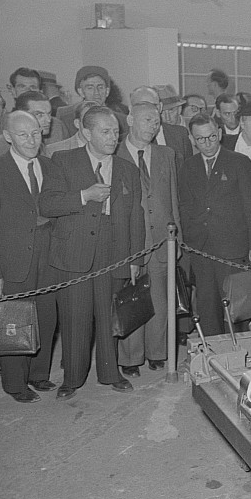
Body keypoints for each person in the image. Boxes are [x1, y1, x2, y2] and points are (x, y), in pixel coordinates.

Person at [40, 107, 145, 400]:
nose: (114, 138)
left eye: (116, 132)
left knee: (109, 315)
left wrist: (135, 259)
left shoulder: (127, 169)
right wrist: (84, 196)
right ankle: (72, 378)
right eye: (106, 132)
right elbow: (47, 205)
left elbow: (136, 217)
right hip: (73, 252)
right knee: (75, 318)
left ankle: (110, 373)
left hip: (114, 252)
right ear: (86, 133)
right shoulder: (62, 161)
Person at [0, 111, 59, 403]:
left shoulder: (49, 165)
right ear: (7, 136)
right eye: (23, 135)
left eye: (35, 133)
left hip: (48, 258)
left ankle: (38, 374)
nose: (32, 140)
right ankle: (15, 383)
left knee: (46, 317)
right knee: (13, 323)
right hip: (11, 263)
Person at [178, 113, 251, 337]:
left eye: (211, 137)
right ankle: (212, 351)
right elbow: (185, 207)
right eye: (200, 139)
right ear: (192, 139)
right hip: (201, 249)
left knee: (235, 307)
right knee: (207, 305)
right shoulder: (188, 167)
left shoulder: (239, 163)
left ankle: (238, 352)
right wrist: (189, 242)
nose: (207, 144)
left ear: (220, 133)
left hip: (233, 249)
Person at [116, 102, 182, 377]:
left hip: (161, 239)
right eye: (146, 120)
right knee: (130, 300)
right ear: (130, 119)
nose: (152, 126)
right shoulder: (115, 152)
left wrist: (176, 237)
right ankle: (130, 358)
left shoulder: (166, 154)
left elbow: (173, 199)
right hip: (129, 241)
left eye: (156, 122)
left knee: (160, 300)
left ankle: (157, 352)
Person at [55, 66, 127, 138]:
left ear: (107, 91)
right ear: (81, 92)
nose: (96, 92)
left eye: (100, 87)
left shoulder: (122, 120)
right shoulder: (65, 117)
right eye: (90, 88)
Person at [0, 91, 63, 156]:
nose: (48, 120)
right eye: (39, 114)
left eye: (49, 114)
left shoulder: (41, 145)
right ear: (22, 114)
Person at [6, 67, 69, 144]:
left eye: (33, 87)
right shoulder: (5, 123)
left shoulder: (56, 126)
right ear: (12, 90)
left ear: (40, 91)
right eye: (22, 87)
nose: (28, 91)